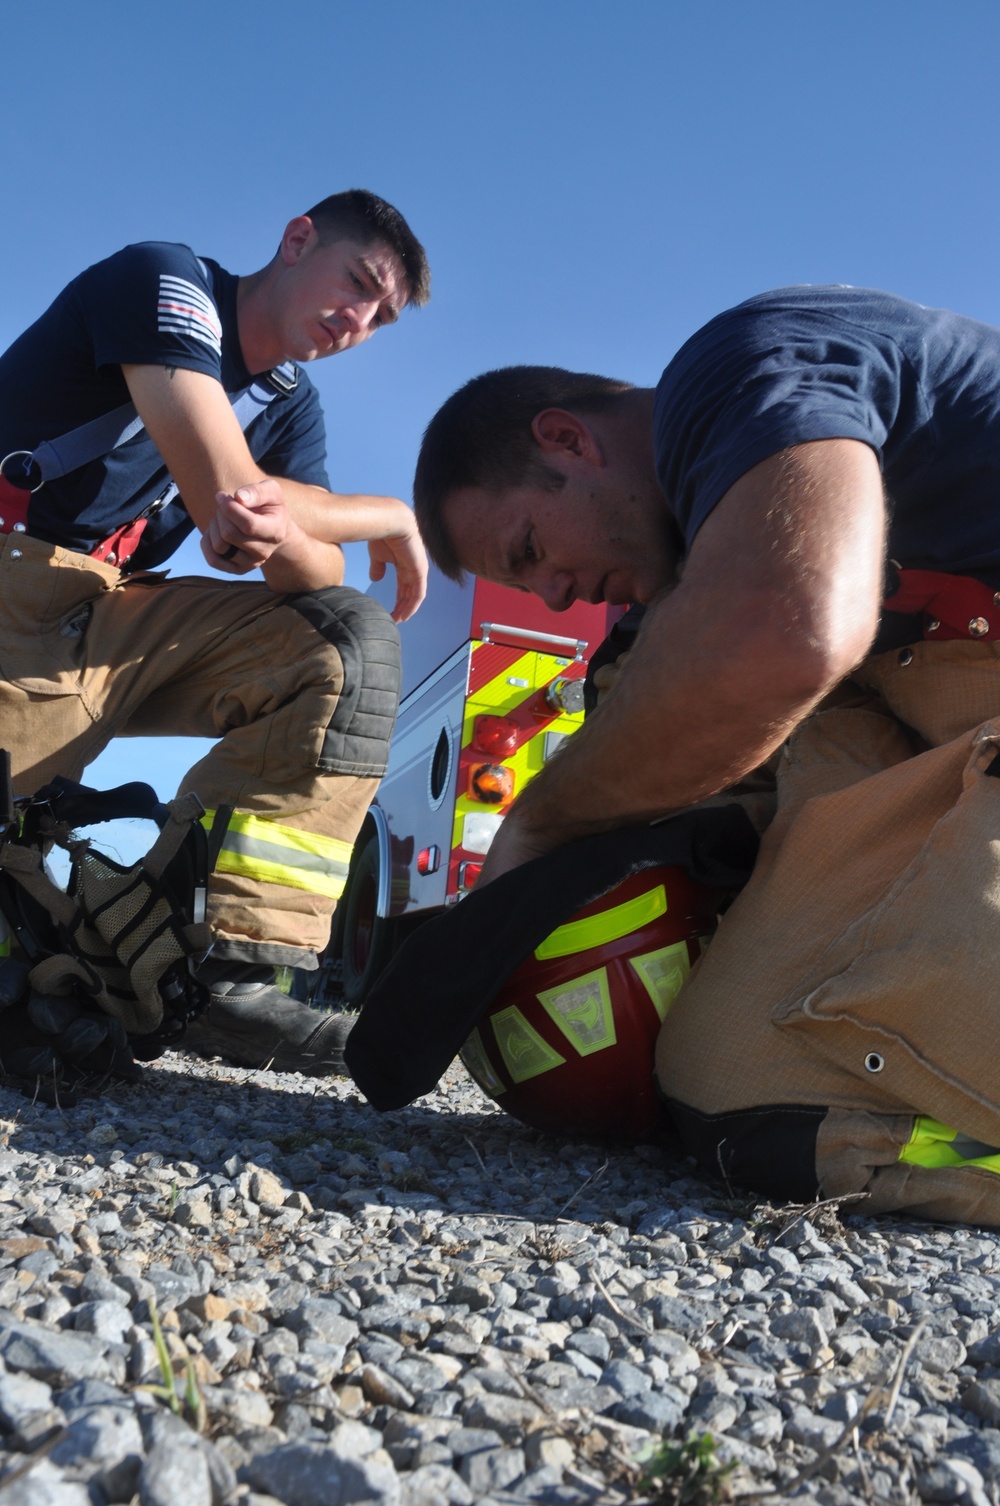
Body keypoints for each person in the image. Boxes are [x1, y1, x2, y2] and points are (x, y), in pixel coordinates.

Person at [410, 285, 1000, 1223]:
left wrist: (538, 823)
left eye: (530, 550)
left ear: (567, 438)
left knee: (756, 1093)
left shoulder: (734, 367)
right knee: (736, 1082)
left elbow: (791, 629)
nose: (555, 598)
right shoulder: (683, 584)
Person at [0, 189, 430, 1074]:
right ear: (296, 238)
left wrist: (288, 527)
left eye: (381, 316)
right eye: (356, 283)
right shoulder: (166, 281)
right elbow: (231, 497)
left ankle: (215, 976)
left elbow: (312, 571)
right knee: (21, 900)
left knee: (342, 641)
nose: (357, 320)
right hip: (14, 580)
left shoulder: (288, 401)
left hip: (120, 610)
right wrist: (381, 510)